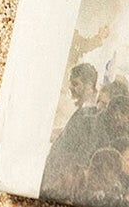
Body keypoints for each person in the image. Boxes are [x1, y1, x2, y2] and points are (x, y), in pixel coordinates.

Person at [44, 63, 109, 201]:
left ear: (90, 85)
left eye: (76, 84)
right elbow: (70, 134)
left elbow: (85, 151)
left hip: (63, 185)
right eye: (71, 84)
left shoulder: (91, 114)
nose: (71, 88)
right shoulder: (84, 111)